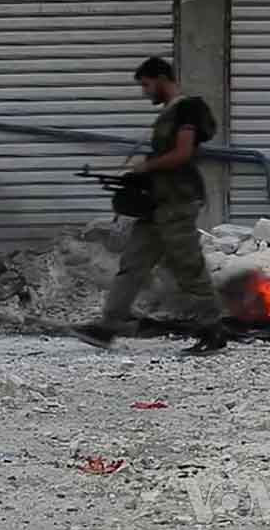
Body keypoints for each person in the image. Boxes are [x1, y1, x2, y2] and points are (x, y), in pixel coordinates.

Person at [70, 57, 228, 355]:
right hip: (158, 204)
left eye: (146, 85)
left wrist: (145, 168)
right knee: (133, 265)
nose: (145, 92)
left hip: (178, 203)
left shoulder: (187, 109)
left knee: (188, 266)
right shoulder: (168, 114)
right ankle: (108, 327)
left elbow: (182, 154)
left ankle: (213, 330)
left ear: (161, 78)